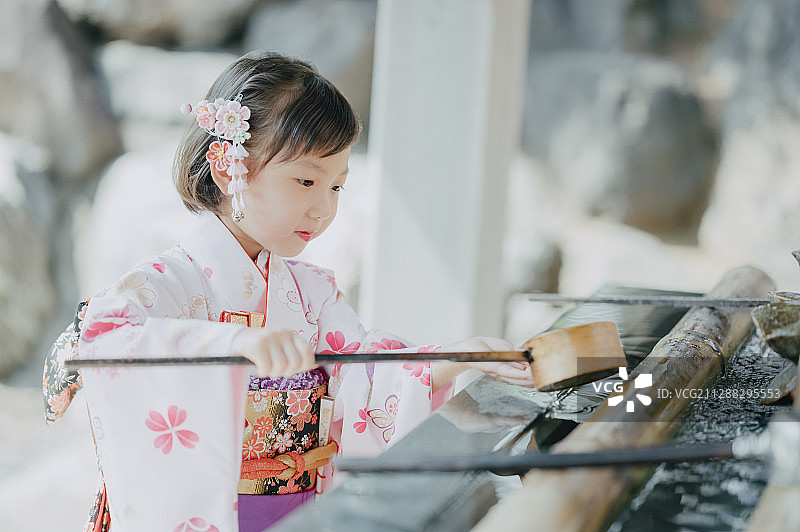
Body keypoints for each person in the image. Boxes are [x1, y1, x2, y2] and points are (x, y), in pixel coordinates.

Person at [43, 50, 534, 532]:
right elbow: (100, 339)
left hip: (297, 513)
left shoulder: (311, 292)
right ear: (228, 168)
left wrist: (457, 356)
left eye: (337, 187)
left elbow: (363, 373)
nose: (323, 208)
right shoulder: (165, 285)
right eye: (306, 180)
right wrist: (231, 346)